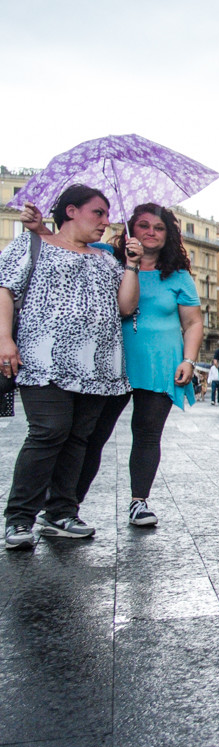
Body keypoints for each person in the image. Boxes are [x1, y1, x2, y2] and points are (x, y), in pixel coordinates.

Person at [1, 186, 139, 550]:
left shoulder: (107, 259)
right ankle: (18, 518)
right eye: (98, 213)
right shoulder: (31, 245)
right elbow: (5, 290)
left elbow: (126, 307)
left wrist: (132, 265)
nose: (106, 222)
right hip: (43, 359)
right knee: (49, 431)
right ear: (72, 211)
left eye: (108, 215)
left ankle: (61, 512)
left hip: (99, 365)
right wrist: (4, 339)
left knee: (79, 437)